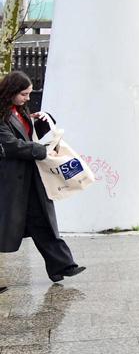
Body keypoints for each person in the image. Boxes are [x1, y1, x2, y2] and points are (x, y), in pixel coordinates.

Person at [0, 71, 85, 286]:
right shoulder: (2, 114)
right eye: (24, 94)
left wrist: (45, 121)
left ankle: (63, 265)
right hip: (10, 182)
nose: (28, 98)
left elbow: (27, 138)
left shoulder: (18, 111)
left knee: (43, 221)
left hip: (29, 179)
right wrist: (42, 151)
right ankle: (61, 266)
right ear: (11, 92)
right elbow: (11, 145)